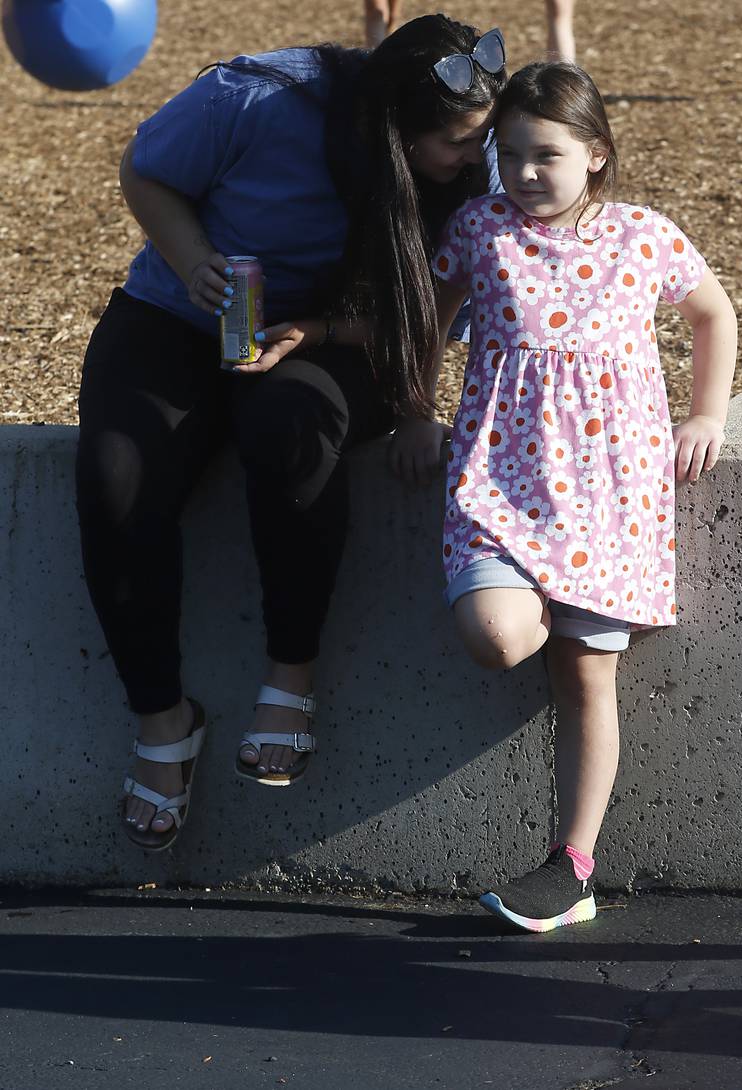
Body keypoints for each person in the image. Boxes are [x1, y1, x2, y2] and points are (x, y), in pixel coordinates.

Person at [76, 15, 507, 850]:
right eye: (455, 142)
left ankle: (291, 675)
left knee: (291, 429)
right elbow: (146, 171)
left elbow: (427, 317)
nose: (473, 158)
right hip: (182, 312)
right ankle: (163, 720)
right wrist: (194, 255)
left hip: (339, 335)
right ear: (391, 132)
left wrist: (332, 344)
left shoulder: (473, 165)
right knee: (115, 476)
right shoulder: (258, 99)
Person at [393, 61, 737, 930]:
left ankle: (573, 866)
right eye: (508, 155)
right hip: (497, 482)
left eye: (545, 154)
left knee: (589, 677)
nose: (525, 173)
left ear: (595, 153)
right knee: (499, 635)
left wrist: (706, 414)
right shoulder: (481, 229)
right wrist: (415, 413)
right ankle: (538, 597)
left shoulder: (643, 237)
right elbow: (429, 319)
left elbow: (713, 314)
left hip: (607, 496)